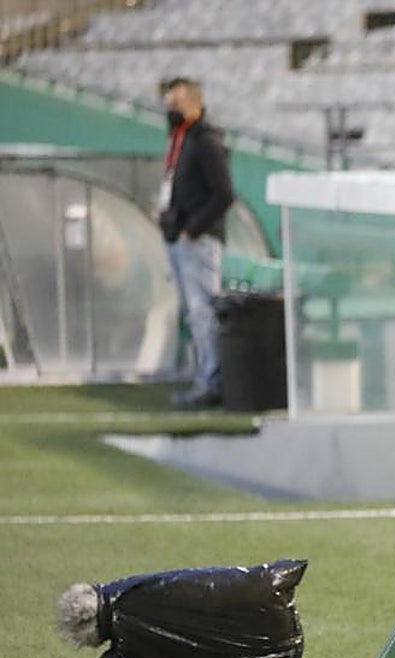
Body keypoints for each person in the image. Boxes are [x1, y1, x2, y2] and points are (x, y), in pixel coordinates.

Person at [159, 77, 234, 409]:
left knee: (203, 312)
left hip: (198, 240)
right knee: (195, 313)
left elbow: (223, 194)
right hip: (180, 236)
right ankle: (206, 375)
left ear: (195, 103)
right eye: (167, 104)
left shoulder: (205, 142)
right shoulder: (182, 139)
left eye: (176, 103)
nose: (170, 110)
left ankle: (213, 381)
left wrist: (193, 228)